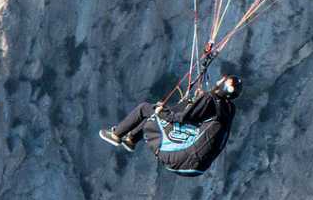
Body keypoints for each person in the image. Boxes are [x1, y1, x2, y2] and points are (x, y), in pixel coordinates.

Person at [100, 75, 242, 176]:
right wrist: (199, 101)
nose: (218, 80)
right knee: (158, 121)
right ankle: (131, 139)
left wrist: (160, 112)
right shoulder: (229, 109)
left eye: (222, 80)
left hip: (181, 158)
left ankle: (116, 135)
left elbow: (182, 118)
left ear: (221, 85)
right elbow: (201, 119)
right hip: (198, 167)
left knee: (146, 109)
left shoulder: (209, 99)